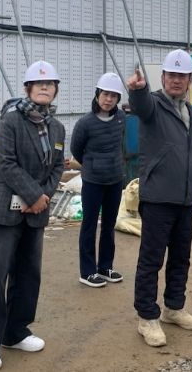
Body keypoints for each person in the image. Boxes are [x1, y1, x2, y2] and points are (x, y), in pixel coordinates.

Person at [0, 61, 65, 371]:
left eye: (50, 83)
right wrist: (33, 196)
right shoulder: (11, 120)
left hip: (35, 211)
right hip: (3, 211)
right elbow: (6, 162)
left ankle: (15, 331)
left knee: (28, 274)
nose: (45, 87)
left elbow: (58, 167)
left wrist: (41, 198)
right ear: (28, 88)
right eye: (39, 83)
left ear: (55, 90)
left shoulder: (57, 128)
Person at [126, 49, 192, 347]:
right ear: (163, 77)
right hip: (158, 198)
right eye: (171, 75)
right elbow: (140, 105)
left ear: (189, 80)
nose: (176, 80)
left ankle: (174, 307)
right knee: (151, 259)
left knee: (181, 258)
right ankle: (147, 316)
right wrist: (138, 90)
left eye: (182, 76)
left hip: (185, 199)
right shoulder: (153, 105)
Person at [71, 72, 127, 288]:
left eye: (113, 96)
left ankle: (105, 267)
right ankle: (87, 272)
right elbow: (76, 149)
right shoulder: (85, 122)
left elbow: (120, 143)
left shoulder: (121, 118)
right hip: (93, 181)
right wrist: (92, 164)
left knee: (109, 225)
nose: (108, 99)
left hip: (115, 179)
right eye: (105, 94)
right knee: (89, 224)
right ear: (97, 95)